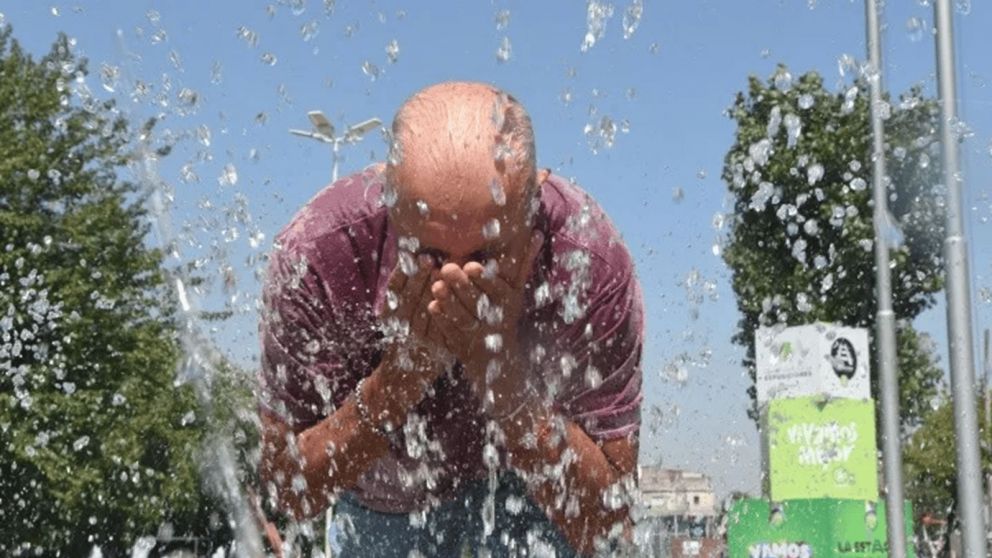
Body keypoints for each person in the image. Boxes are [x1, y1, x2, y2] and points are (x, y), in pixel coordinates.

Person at [258, 81, 644, 557]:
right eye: (430, 256)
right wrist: (400, 378)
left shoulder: (588, 261)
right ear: (390, 203)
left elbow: (608, 522)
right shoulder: (320, 252)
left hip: (531, 487)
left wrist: (500, 377)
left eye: (489, 254)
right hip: (390, 490)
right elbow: (288, 492)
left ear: (534, 202)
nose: (457, 281)